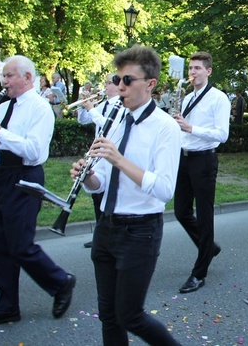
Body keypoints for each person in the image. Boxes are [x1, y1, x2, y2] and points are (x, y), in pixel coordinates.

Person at [72, 45, 181, 345]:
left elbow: (164, 189)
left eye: (128, 80)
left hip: (140, 230)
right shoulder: (116, 120)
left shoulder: (165, 128)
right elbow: (103, 184)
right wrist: (88, 177)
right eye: (118, 80)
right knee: (108, 315)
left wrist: (119, 159)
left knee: (130, 315)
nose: (120, 87)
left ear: (150, 84)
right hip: (107, 226)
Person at [0, 55, 75, 329]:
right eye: (4, 75)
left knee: (20, 244)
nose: (5, 81)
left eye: (10, 75)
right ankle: (7, 306)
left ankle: (61, 282)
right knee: (0, 244)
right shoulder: (2, 106)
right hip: (0, 177)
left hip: (25, 177)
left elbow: (34, 151)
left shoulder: (39, 108)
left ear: (27, 77)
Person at [172, 52, 230, 293]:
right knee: (180, 211)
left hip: (204, 160)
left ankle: (199, 272)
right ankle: (208, 248)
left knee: (204, 215)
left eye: (197, 68)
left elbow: (222, 134)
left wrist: (190, 127)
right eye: (191, 69)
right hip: (184, 159)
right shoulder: (187, 98)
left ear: (209, 71)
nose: (192, 73)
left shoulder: (219, 98)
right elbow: (182, 131)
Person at [77, 73, 121, 248]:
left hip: (110, 154)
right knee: (96, 196)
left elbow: (108, 126)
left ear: (118, 86)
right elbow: (83, 120)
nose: (105, 86)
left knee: (105, 196)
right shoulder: (102, 105)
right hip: (97, 154)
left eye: (109, 83)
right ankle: (99, 235)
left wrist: (91, 109)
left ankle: (108, 235)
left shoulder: (120, 105)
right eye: (106, 83)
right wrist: (83, 106)